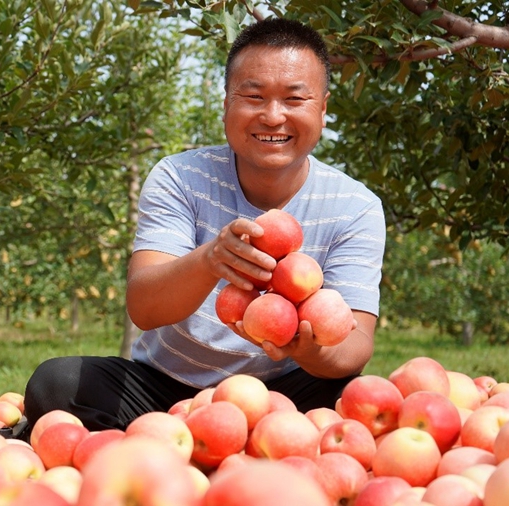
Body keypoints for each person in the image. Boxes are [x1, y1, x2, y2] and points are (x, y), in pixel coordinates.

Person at [21, 17, 386, 436]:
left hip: (281, 394)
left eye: (293, 99)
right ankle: (223, 447)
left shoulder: (356, 207)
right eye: (253, 96)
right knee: (57, 385)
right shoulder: (179, 177)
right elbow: (144, 308)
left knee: (351, 391)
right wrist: (210, 260)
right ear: (227, 104)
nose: (272, 116)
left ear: (322, 111)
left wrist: (307, 349)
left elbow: (356, 345)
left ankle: (191, 448)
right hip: (166, 391)